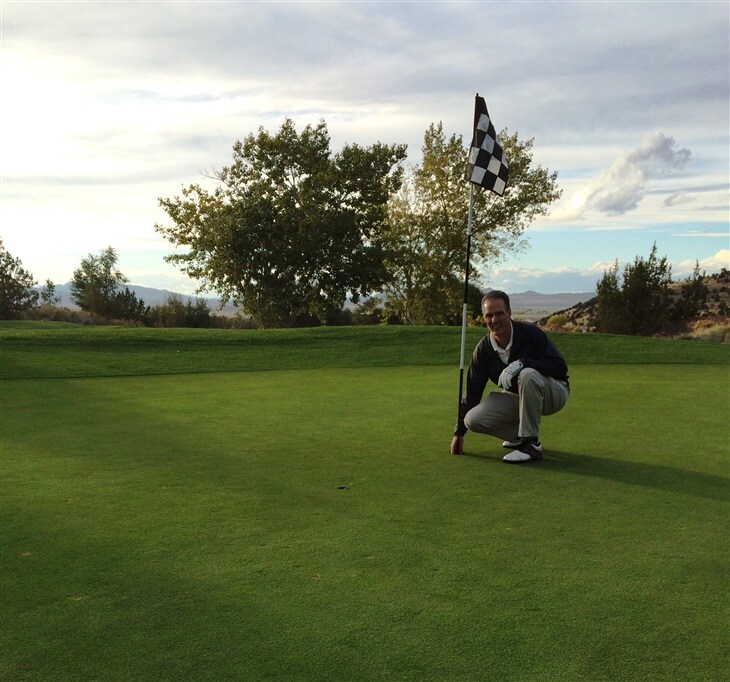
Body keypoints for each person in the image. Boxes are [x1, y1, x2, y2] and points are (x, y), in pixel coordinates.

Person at [450, 290, 570, 463]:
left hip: (554, 393)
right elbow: (472, 393)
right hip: (518, 397)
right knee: (473, 419)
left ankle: (531, 445)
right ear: (483, 318)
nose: (494, 320)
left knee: (527, 374)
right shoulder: (483, 350)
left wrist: (524, 363)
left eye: (499, 313)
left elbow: (559, 367)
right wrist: (458, 434)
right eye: (489, 315)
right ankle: (518, 437)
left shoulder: (530, 333)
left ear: (509, 313)